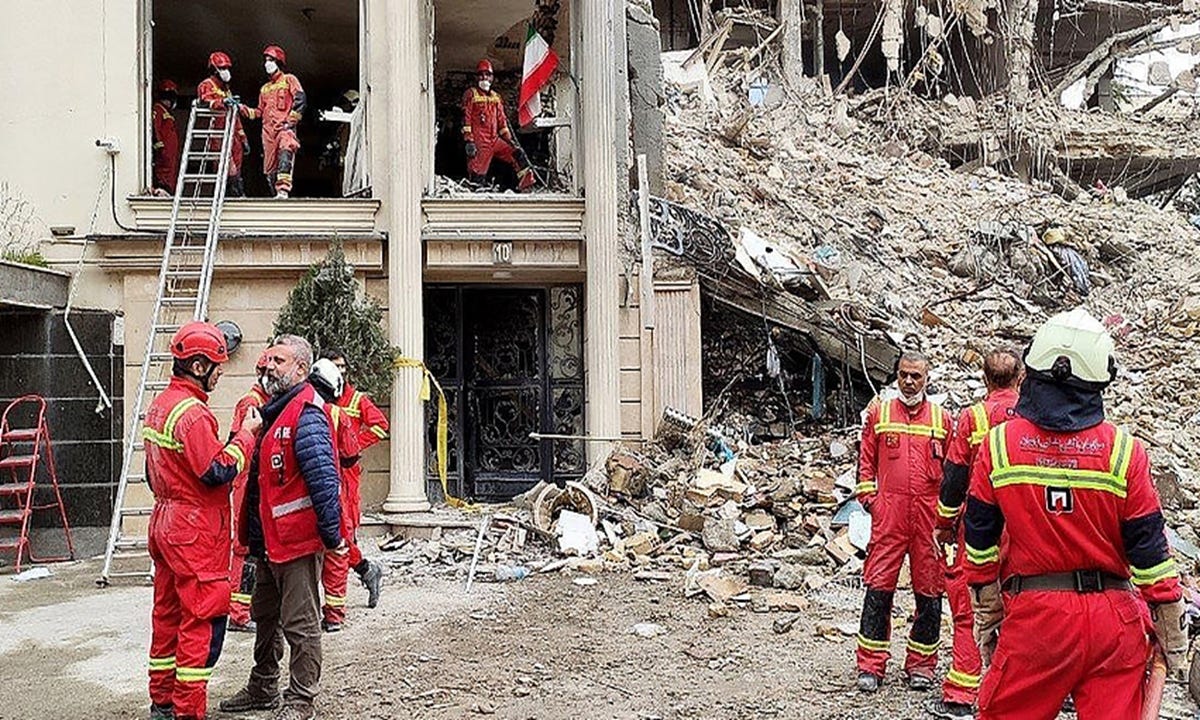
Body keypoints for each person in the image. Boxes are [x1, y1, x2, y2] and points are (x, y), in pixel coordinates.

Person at [964, 309, 1186, 719]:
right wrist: (1170, 621)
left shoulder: (998, 446)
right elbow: (1150, 551)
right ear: (1101, 376)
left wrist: (987, 610)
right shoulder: (1124, 451)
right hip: (1114, 622)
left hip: (1036, 621)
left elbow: (978, 540)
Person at [220, 335, 344, 720]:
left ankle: (301, 698)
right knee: (265, 616)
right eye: (269, 358)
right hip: (268, 541)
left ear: (301, 370)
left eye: (279, 360)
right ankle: (263, 686)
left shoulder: (305, 412)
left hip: (296, 543)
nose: (268, 365)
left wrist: (333, 537)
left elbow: (324, 479)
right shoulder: (273, 410)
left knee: (301, 623)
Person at [145, 322, 261, 720]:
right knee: (203, 622)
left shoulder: (160, 405)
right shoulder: (194, 415)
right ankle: (188, 712)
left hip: (165, 520)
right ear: (197, 366)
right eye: (216, 365)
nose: (221, 372)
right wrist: (246, 436)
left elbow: (152, 472)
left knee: (167, 614)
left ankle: (161, 702)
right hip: (195, 531)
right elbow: (216, 470)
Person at [926, 349, 1022, 720]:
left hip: (979, 526)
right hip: (1024, 529)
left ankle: (961, 695)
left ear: (984, 380)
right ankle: (1020, 691)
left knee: (972, 606)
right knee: (1023, 606)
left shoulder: (972, 418)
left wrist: (944, 525)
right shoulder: (1033, 416)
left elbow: (954, 478)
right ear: (1020, 379)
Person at [854, 351, 951, 693]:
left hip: (928, 519)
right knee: (879, 589)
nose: (909, 381)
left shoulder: (942, 419)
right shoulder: (879, 413)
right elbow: (865, 462)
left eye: (916, 376)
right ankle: (870, 664)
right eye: (904, 375)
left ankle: (921, 665)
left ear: (927, 378)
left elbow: (953, 472)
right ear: (896, 376)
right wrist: (871, 501)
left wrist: (947, 515)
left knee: (930, 592)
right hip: (890, 516)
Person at [320, 347, 386, 608]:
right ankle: (365, 569)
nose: (341, 371)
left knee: (341, 534)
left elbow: (380, 426)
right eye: (335, 366)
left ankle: (362, 573)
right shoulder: (320, 398)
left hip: (346, 475)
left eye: (344, 367)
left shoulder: (356, 400)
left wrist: (353, 445)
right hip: (324, 471)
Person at [309, 359, 363, 632]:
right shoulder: (337, 415)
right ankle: (334, 615)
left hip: (300, 495)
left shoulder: (295, 409)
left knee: (306, 555)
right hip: (332, 489)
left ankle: (303, 613)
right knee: (337, 550)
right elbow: (351, 455)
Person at [227, 349, 271, 633]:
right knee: (244, 548)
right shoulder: (252, 403)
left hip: (254, 479)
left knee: (252, 547)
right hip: (246, 480)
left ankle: (244, 608)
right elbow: (239, 441)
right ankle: (238, 613)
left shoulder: (264, 401)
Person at [240, 45, 305, 198]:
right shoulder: (264, 89)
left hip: (283, 128)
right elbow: (258, 112)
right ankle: (274, 192)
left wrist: (291, 121)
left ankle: (283, 189)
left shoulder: (289, 80)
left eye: (271, 60)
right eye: (266, 60)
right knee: (269, 169)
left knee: (286, 150)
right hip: (268, 134)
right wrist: (241, 108)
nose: (267, 63)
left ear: (279, 62)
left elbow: (300, 99)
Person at [461, 59, 535, 191]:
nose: (484, 77)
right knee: (477, 177)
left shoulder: (496, 98)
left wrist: (509, 140)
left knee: (517, 154)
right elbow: (466, 119)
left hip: (494, 140)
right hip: (480, 143)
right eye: (481, 74)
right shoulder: (471, 94)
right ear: (476, 77)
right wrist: (469, 141)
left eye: (487, 74)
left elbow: (502, 122)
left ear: (492, 77)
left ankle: (526, 186)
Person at [196, 51, 249, 198]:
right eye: (223, 68)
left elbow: (235, 116)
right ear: (214, 69)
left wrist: (243, 137)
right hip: (217, 133)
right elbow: (205, 102)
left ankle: (234, 193)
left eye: (227, 68)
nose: (226, 72)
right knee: (226, 167)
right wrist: (221, 102)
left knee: (236, 168)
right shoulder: (207, 85)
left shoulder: (227, 91)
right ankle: (236, 195)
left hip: (232, 134)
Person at [152, 80, 181, 195]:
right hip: (164, 156)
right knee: (164, 176)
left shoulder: (167, 112)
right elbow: (154, 127)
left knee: (171, 175)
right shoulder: (158, 109)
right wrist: (160, 148)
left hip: (170, 156)